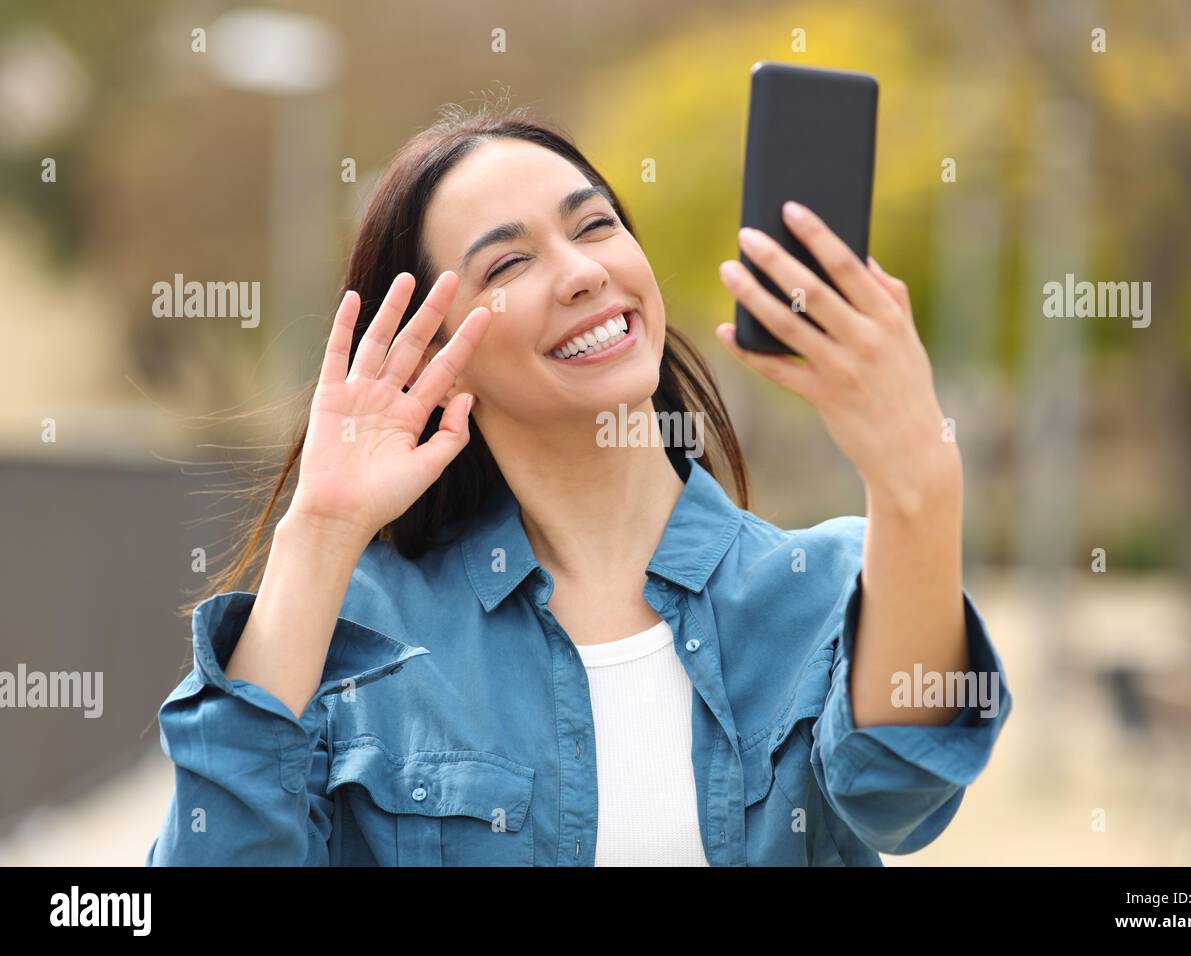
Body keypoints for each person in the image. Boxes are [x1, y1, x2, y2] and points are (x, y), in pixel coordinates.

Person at [147, 103, 1012, 867]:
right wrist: (319, 535)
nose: (582, 272)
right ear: (432, 353)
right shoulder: (362, 639)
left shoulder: (824, 589)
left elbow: (902, 799)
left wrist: (917, 483)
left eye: (595, 226)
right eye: (507, 265)